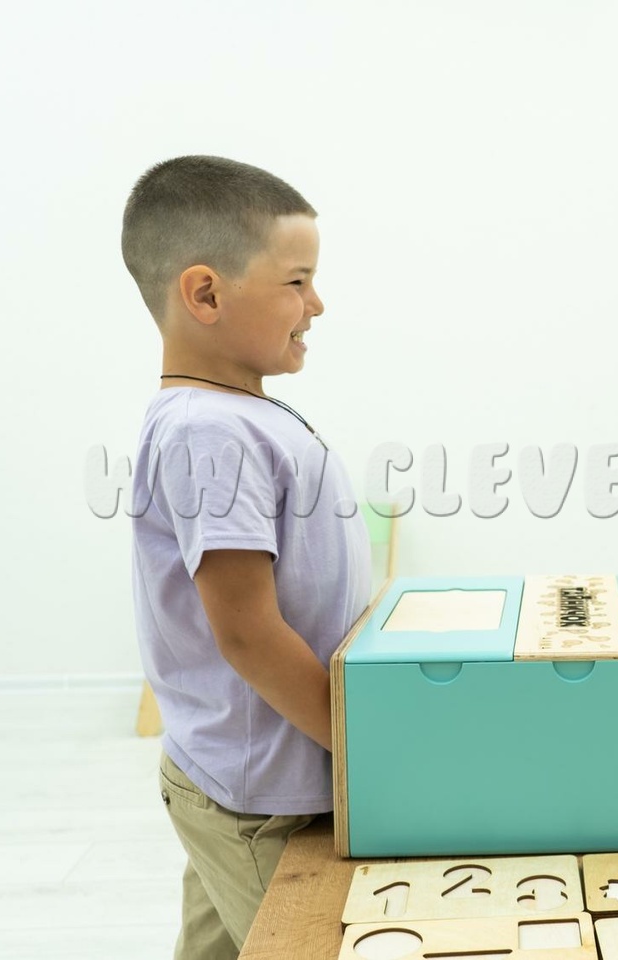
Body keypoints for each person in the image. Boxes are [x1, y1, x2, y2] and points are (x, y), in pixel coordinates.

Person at [121, 155, 371, 960]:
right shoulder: (210, 432)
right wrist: (365, 751)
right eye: (297, 282)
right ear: (205, 294)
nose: (317, 304)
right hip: (264, 798)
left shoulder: (233, 416)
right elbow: (248, 633)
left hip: (230, 779)